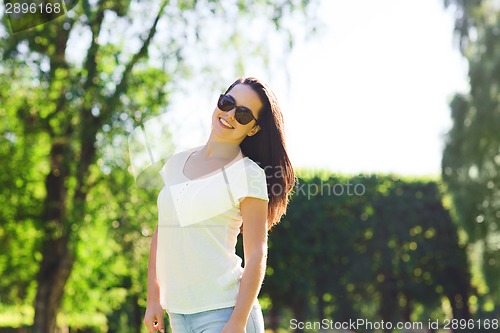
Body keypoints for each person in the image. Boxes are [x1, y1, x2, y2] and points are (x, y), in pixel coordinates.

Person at [143, 77, 295, 333]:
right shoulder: (176, 163)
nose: (231, 114)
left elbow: (257, 254)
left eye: (244, 114)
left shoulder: (248, 173)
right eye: (228, 103)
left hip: (225, 313)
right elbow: (162, 233)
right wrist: (153, 298)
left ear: (254, 129)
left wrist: (237, 322)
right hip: (178, 313)